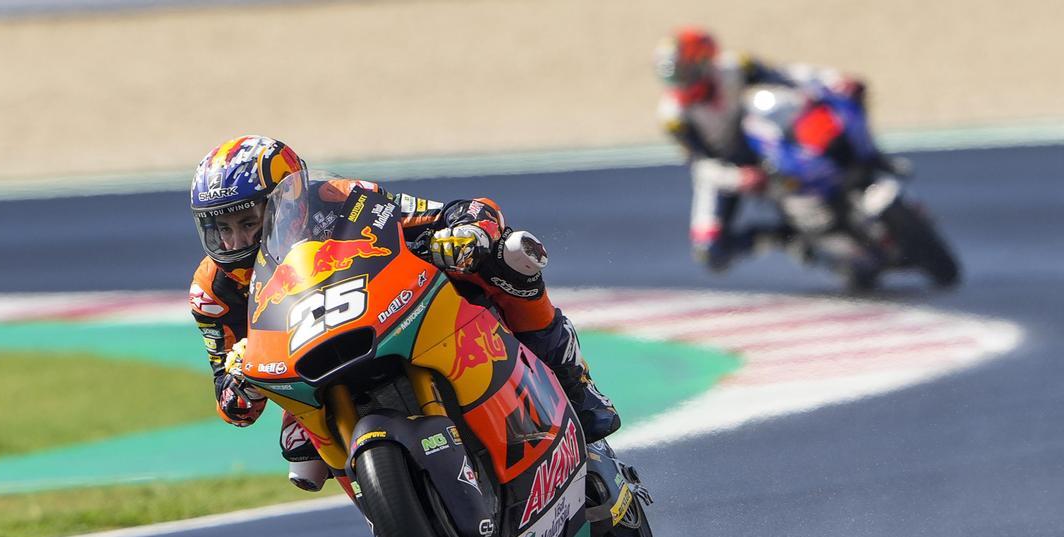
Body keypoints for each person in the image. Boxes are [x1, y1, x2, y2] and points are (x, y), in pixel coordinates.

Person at [188, 135, 619, 491]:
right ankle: (387, 519)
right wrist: (240, 378)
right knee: (299, 449)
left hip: (381, 311)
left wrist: (467, 232)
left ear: (289, 200)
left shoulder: (345, 199)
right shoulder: (213, 291)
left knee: (507, 254)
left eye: (248, 222)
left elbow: (452, 213)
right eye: (220, 229)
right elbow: (234, 407)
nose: (233, 241)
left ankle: (574, 384)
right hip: (307, 365)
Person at [653, 27, 866, 272]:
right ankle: (783, 239)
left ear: (703, 63)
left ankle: (863, 172)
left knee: (821, 126)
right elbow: (699, 163)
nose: (679, 83)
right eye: (673, 76)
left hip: (763, 141)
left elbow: (787, 75)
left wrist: (834, 79)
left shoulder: (736, 67)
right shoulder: (673, 116)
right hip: (725, 169)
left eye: (684, 72)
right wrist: (737, 178)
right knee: (711, 252)